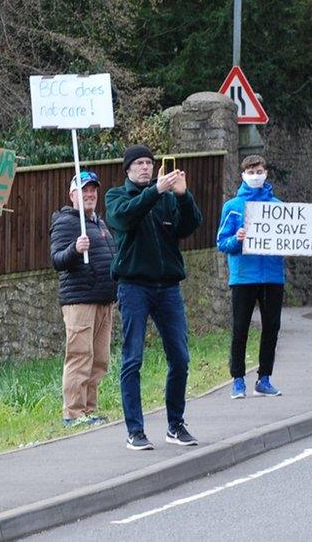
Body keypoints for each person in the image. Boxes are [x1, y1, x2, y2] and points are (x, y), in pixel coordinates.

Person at [105, 145, 203, 451]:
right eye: (140, 164)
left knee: (181, 358)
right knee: (132, 358)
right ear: (129, 170)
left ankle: (176, 425)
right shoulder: (116, 196)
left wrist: (183, 196)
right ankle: (135, 430)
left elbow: (190, 226)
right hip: (134, 286)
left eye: (150, 163)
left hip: (168, 287)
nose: (146, 168)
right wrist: (155, 192)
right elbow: (123, 219)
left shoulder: (167, 199)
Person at [216, 155, 312, 399]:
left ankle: (264, 378)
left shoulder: (278, 206)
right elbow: (221, 242)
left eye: (260, 170)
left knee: (272, 328)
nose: (257, 174)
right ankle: (238, 379)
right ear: (243, 173)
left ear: (266, 173)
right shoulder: (232, 207)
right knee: (240, 328)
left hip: (273, 276)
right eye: (252, 170)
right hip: (244, 276)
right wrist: (237, 239)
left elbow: (292, 236)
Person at [49, 171, 117, 427]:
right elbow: (57, 260)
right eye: (84, 191)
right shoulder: (66, 222)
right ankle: (73, 412)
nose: (89, 195)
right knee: (80, 354)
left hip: (104, 300)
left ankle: (89, 409)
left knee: (100, 358)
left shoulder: (99, 223)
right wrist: (75, 249)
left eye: (93, 191)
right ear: (72, 195)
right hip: (80, 300)